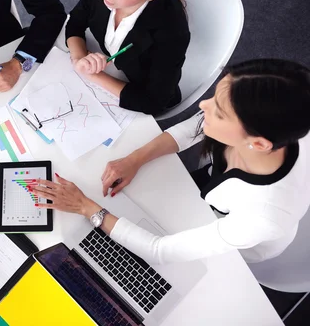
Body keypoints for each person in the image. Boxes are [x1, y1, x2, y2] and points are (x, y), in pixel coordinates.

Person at [32, 59, 310, 264]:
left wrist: (86, 207)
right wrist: (134, 159)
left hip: (233, 242)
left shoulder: (262, 216)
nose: (203, 106)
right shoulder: (266, 125)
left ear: (259, 144)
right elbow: (195, 128)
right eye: (214, 96)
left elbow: (161, 251)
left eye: (220, 112)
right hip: (214, 191)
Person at [65, 0, 189, 116]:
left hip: (135, 92)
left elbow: (154, 102)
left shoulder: (171, 29)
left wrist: (93, 75)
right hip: (109, 70)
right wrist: (79, 59)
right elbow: (75, 22)